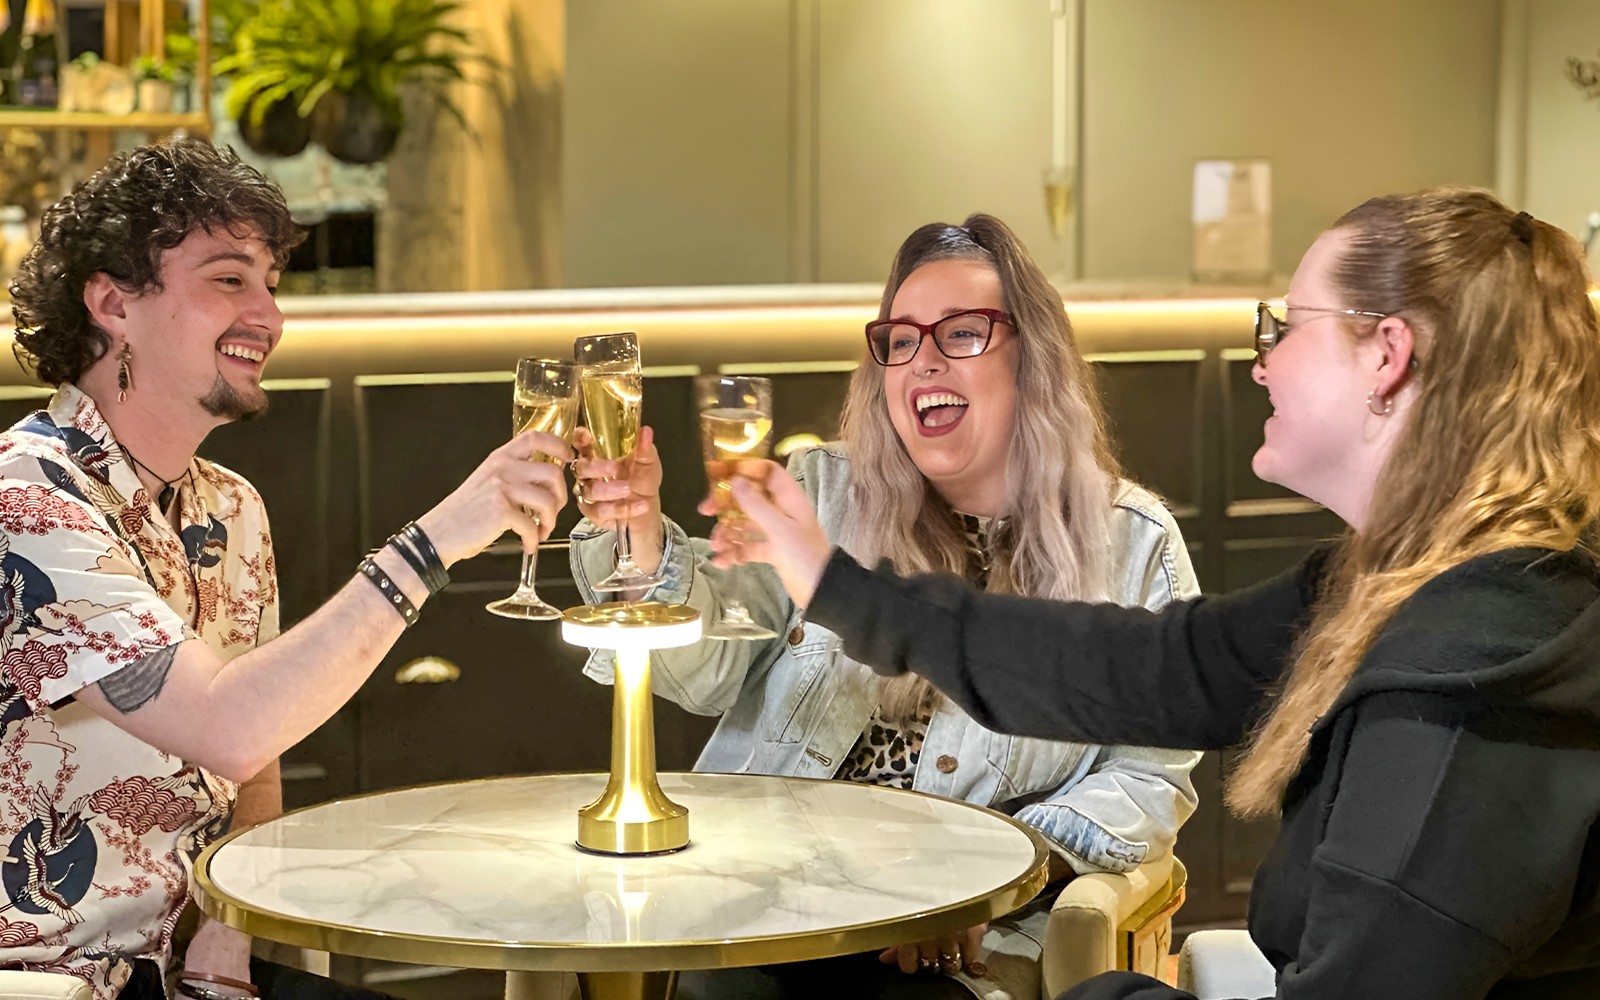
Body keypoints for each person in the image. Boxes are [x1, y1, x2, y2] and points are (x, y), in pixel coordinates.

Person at [715, 188, 1600, 1000]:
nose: (1263, 363)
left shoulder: (1473, 677)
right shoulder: (1393, 578)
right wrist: (836, 586)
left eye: (1287, 328)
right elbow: (1147, 667)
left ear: (1387, 357)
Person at [570, 214, 1202, 999]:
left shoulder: (1132, 544)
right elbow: (703, 672)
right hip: (769, 901)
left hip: (946, 948)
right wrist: (637, 536)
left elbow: (1149, 779)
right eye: (900, 340)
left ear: (1033, 359)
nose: (921, 361)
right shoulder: (822, 491)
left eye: (961, 333)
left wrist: (992, 873)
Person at [1, 137, 571, 999]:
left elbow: (255, 757)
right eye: (230, 279)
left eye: (272, 283)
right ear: (114, 302)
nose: (268, 314)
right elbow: (224, 724)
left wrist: (231, 935)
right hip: (58, 975)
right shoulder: (28, 503)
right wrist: (433, 544)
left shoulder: (230, 507)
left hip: (199, 963)